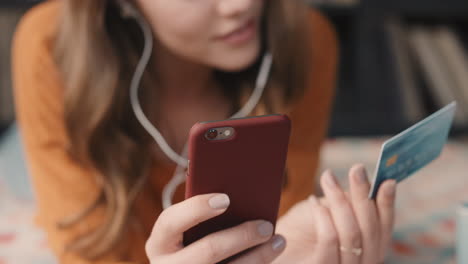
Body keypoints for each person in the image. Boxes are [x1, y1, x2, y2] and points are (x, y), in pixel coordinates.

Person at [12, 0, 397, 263]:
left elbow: (275, 233)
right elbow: (87, 250)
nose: (242, 5)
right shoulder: (51, 46)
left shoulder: (305, 39)